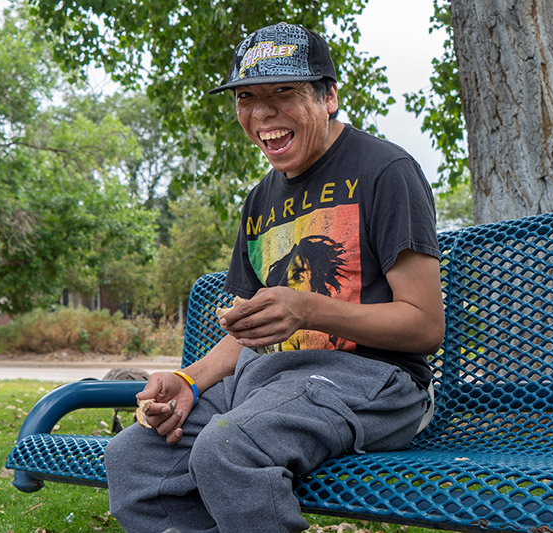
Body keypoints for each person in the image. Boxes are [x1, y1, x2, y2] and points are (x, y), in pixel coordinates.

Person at [105, 22, 445, 533]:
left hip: (375, 382)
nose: (262, 114)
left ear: (329, 96)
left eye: (283, 93)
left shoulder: (385, 170)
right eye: (247, 98)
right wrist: (187, 381)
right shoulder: (260, 199)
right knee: (135, 457)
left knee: (229, 446)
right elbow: (246, 336)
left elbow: (425, 326)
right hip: (271, 385)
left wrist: (308, 308)